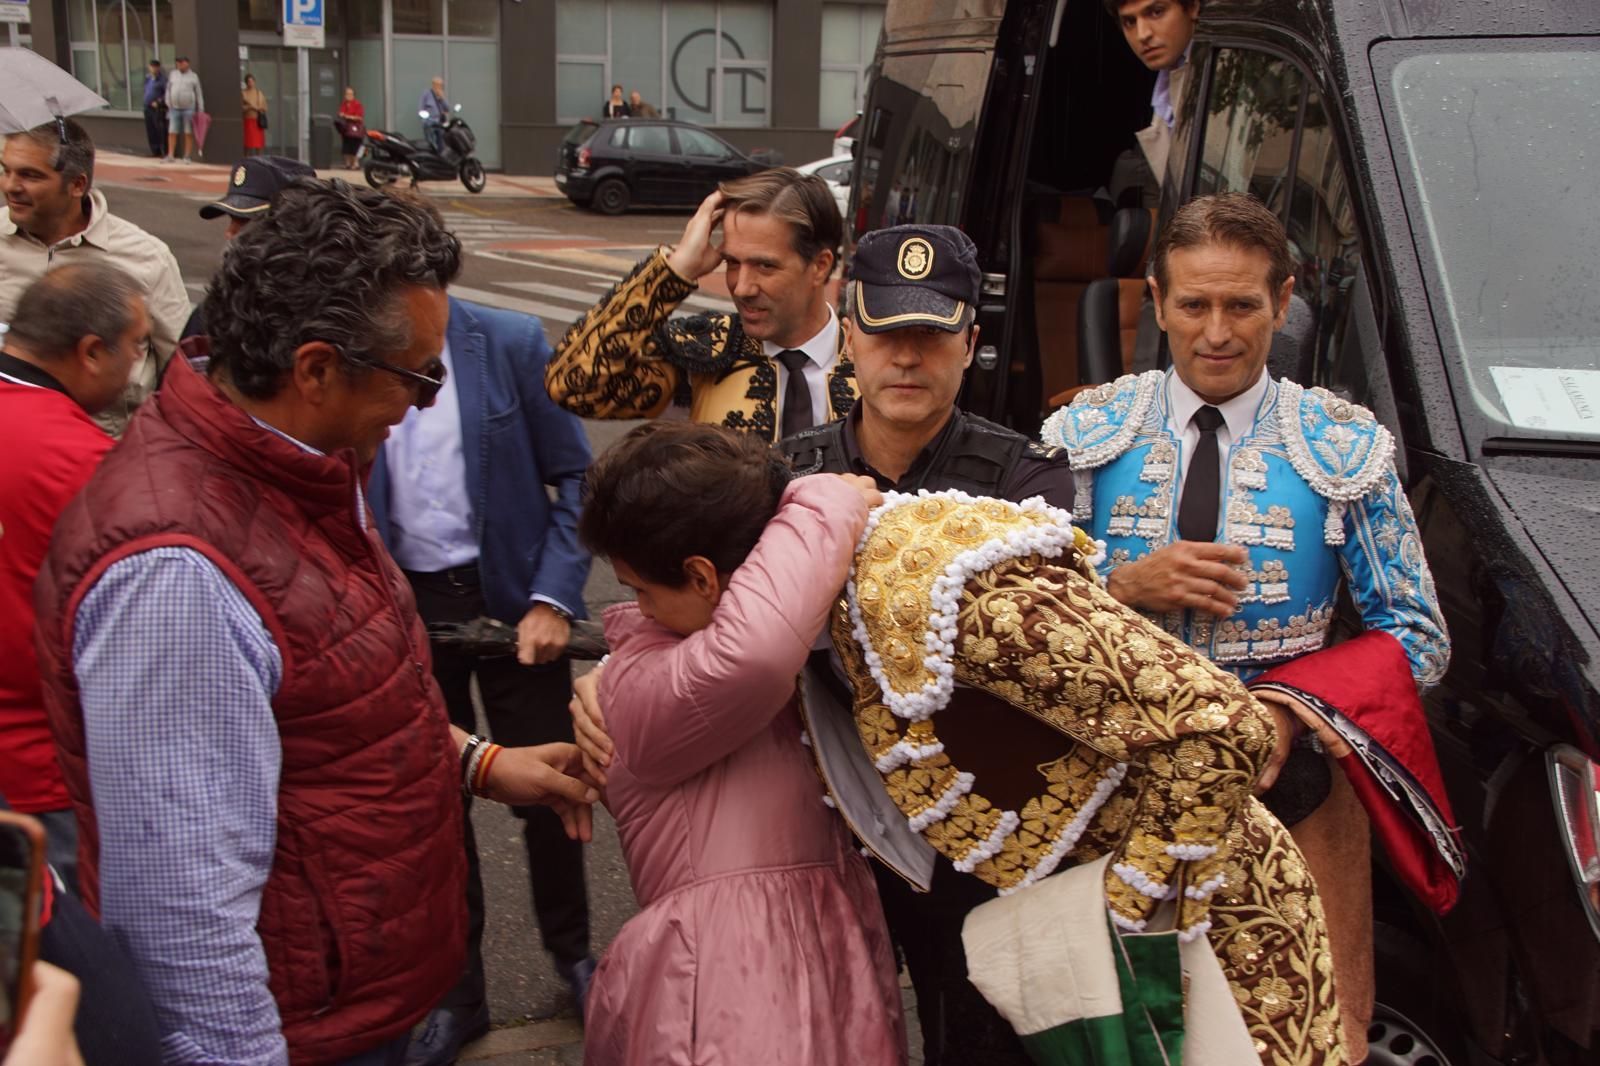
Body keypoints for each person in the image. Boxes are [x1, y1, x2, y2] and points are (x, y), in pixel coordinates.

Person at [34, 180, 598, 1066]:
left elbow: (326, 705)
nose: (422, 406)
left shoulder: (298, 468)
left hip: (359, 1007)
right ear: (315, 369)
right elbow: (187, 927)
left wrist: (479, 763)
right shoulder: (176, 575)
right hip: (303, 1036)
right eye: (418, 376)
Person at [572, 225, 1074, 1065]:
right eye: (886, 333)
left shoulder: (1028, 480)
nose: (906, 360)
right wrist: (609, 680)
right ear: (849, 333)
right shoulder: (780, 476)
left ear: (972, 344)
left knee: (982, 1042)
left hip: (974, 837)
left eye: (932, 336)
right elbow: (691, 610)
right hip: (819, 824)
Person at [1042, 192, 1456, 1062]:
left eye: (1242, 305)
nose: (1217, 331)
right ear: (1157, 302)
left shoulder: (1341, 446)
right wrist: (1119, 586)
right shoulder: (1082, 436)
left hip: (1291, 791)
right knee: (1127, 1037)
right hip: (1118, 782)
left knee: (1294, 1038)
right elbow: (1021, 614)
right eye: (1194, 305)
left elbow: (1417, 633)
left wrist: (1292, 710)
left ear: (1284, 300)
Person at [576, 422, 906, 1065]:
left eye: (641, 588)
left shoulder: (756, 618)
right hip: (731, 979)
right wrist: (822, 500)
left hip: (796, 952)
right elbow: (751, 655)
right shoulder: (640, 685)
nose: (636, 609)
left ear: (703, 578)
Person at [366, 296, 597, 1066]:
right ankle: (459, 992)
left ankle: (575, 956)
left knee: (553, 789)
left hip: (514, 603)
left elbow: (576, 476)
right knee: (435, 800)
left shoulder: (506, 340)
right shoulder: (360, 345)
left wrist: (553, 598)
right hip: (405, 603)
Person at [0, 264, 147, 894]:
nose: (141, 365)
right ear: (91, 352)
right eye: (139, 346)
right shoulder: (86, 462)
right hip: (41, 775)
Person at [546, 171, 856, 442]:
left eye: (765, 266)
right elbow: (573, 388)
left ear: (819, 266)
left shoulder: (870, 356)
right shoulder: (704, 350)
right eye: (732, 262)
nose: (741, 287)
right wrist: (675, 271)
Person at [0, 118, 190, 436]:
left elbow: (183, 371)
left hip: (108, 459)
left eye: (30, 175)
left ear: (77, 184)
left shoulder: (146, 256)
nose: (10, 186)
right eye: (6, 170)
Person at [182, 155, 316, 339]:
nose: (230, 233)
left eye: (246, 222)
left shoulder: (325, 314)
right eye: (231, 220)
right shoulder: (215, 311)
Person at [1107, 0, 1200, 192]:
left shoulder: (1227, 72)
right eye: (1130, 22)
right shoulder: (1166, 87)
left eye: (1156, 12)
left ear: (1192, 7)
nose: (1143, 34)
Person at [163, 56, 204, 163]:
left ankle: (187, 156)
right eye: (178, 63)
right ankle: (170, 155)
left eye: (181, 63)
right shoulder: (173, 74)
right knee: (172, 131)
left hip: (188, 108)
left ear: (187, 63)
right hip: (174, 108)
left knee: (188, 132)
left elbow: (198, 93)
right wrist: (168, 102)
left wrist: (200, 109)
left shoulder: (193, 76)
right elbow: (168, 89)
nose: (179, 65)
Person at [140, 59, 166, 158]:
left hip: (156, 108)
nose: (153, 68)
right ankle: (154, 151)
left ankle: (162, 150)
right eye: (152, 66)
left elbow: (166, 93)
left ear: (158, 68)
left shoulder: (162, 80)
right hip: (147, 107)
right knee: (150, 129)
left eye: (155, 67)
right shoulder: (148, 78)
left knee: (158, 129)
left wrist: (159, 101)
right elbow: (146, 90)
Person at [337, 87, 366, 170]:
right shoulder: (344, 104)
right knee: (346, 146)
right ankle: (348, 164)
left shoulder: (357, 104)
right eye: (347, 94)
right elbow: (340, 113)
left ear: (353, 95)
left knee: (356, 145)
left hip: (356, 129)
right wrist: (342, 115)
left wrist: (348, 116)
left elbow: (359, 117)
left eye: (350, 94)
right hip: (346, 129)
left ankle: (356, 163)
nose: (348, 96)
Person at [420, 76, 450, 152]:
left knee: (441, 144)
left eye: (441, 85)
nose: (440, 87)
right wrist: (425, 120)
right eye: (438, 85)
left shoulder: (441, 95)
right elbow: (421, 109)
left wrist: (442, 98)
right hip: (430, 123)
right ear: (433, 85)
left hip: (439, 123)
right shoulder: (426, 94)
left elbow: (447, 108)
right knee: (431, 144)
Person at [241, 73, 267, 157]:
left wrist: (258, 108)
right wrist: (249, 107)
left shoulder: (259, 93)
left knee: (258, 144)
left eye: (252, 81)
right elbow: (241, 108)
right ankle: (246, 162)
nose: (251, 83)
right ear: (246, 83)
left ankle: (259, 162)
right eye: (249, 81)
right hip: (248, 121)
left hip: (257, 121)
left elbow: (264, 107)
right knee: (248, 144)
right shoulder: (243, 93)